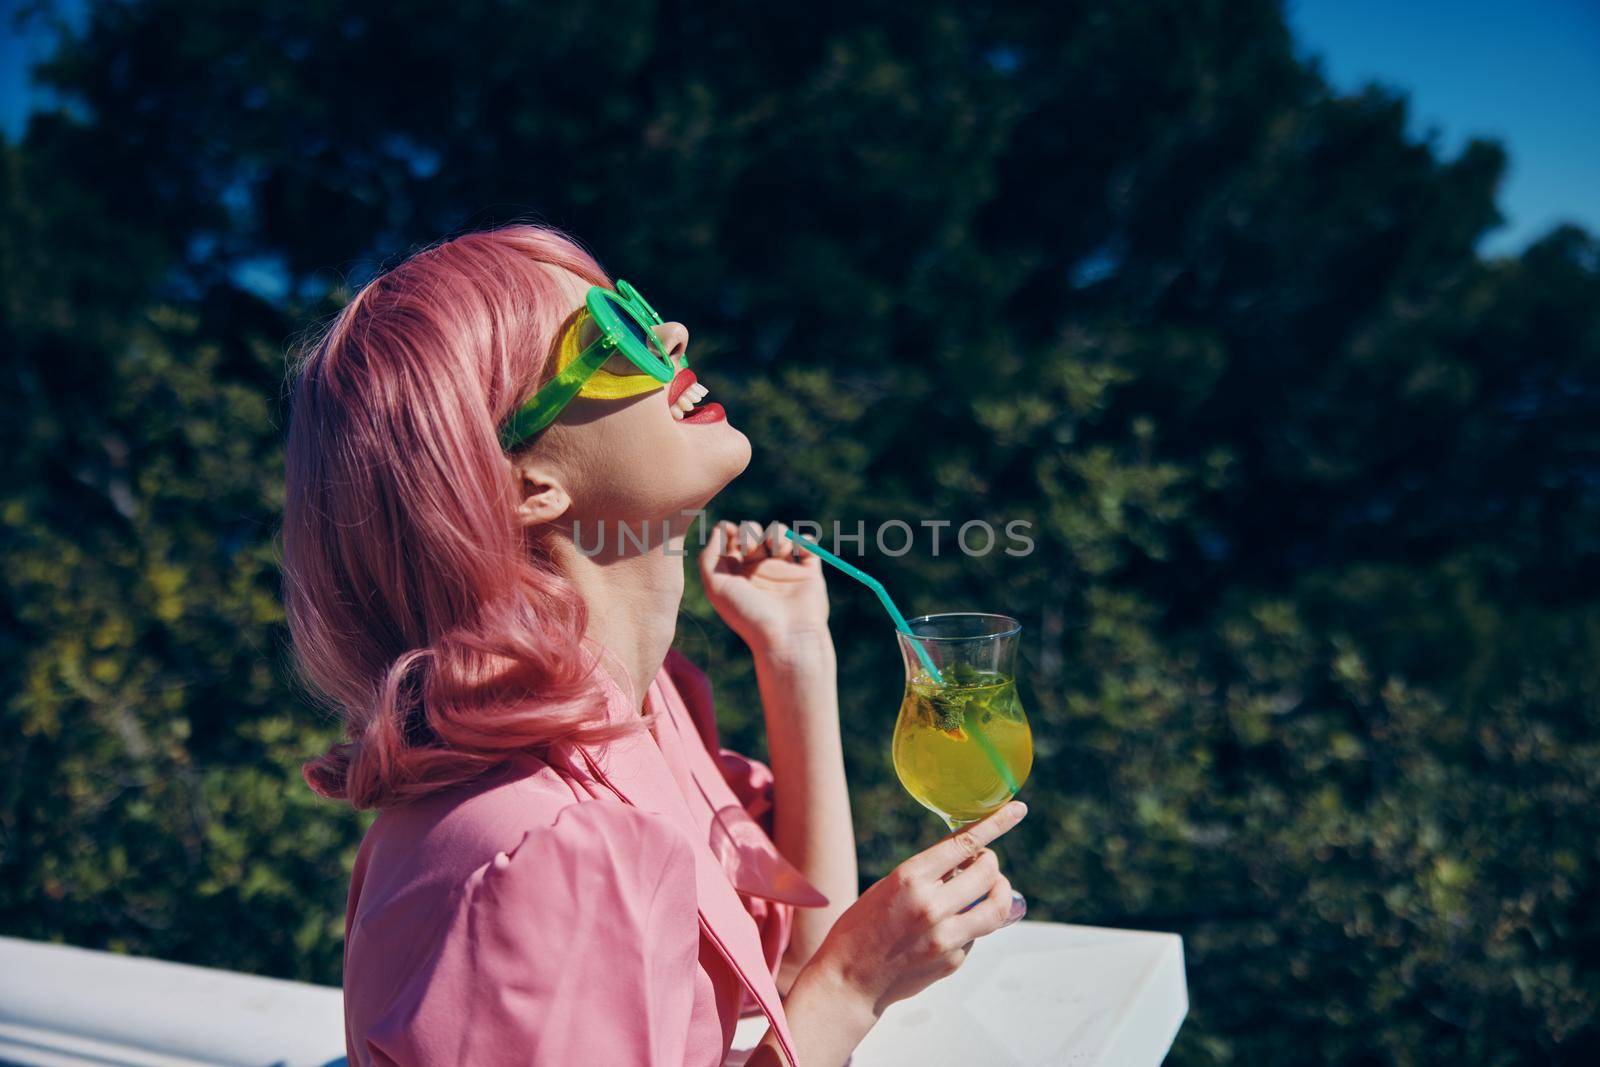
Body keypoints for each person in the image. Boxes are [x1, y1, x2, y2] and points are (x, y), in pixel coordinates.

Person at [281, 222, 1027, 1066]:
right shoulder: (545, 850)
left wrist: (795, 657)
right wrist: (854, 988)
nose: (671, 333)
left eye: (638, 307)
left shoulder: (633, 711)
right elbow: (824, 986)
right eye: (613, 332)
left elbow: (782, 964)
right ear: (528, 484)